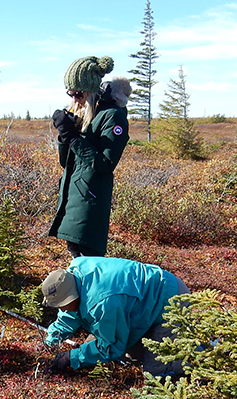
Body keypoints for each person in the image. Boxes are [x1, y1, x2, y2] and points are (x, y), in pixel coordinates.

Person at [41, 257, 190, 377]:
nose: (61, 308)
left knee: (155, 372)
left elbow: (110, 346)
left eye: (63, 304)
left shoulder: (103, 304)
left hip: (171, 299)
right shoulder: (73, 274)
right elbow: (69, 315)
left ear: (72, 296)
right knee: (124, 354)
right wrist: (51, 341)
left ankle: (203, 356)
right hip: (143, 302)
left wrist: (70, 358)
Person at [49, 56, 132, 258]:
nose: (74, 98)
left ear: (90, 90)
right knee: (76, 256)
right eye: (69, 93)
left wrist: (74, 137)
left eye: (78, 93)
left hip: (90, 201)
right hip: (73, 197)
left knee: (89, 259)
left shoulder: (113, 116)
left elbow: (104, 164)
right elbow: (66, 163)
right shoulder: (87, 114)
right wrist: (64, 136)